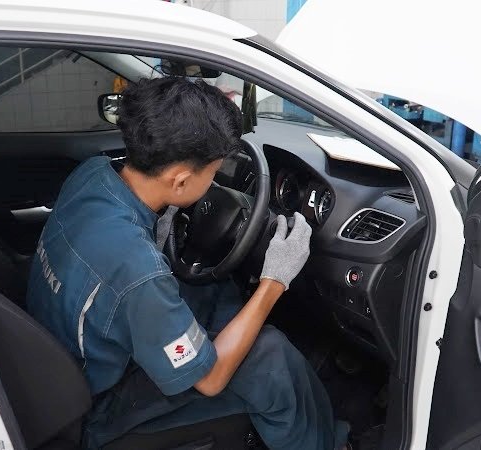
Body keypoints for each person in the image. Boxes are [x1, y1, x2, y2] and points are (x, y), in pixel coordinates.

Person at [26, 76, 349, 449]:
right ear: (179, 182)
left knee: (214, 289)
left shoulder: (92, 174)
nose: (213, 184)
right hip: (99, 407)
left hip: (62, 358)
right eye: (212, 174)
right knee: (270, 357)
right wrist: (274, 280)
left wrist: (164, 223)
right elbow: (209, 381)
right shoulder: (137, 271)